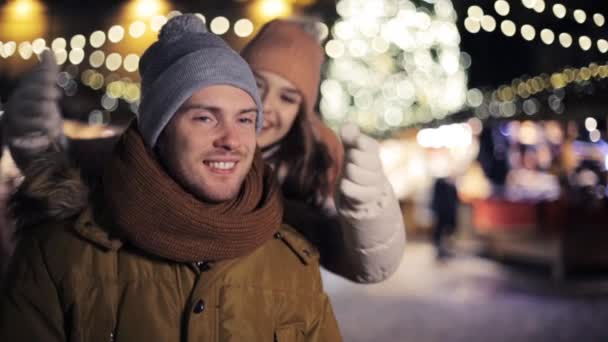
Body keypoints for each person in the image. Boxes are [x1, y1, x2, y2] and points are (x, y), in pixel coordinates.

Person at [0, 14, 342, 341]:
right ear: (158, 130)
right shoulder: (60, 255)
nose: (231, 141)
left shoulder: (291, 263)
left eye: (244, 120)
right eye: (205, 118)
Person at [3, 18, 405, 283]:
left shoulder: (298, 181)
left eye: (288, 97)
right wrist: (34, 136)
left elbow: (366, 265)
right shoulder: (144, 156)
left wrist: (370, 210)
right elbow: (69, 177)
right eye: (257, 86)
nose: (266, 109)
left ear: (303, 111)